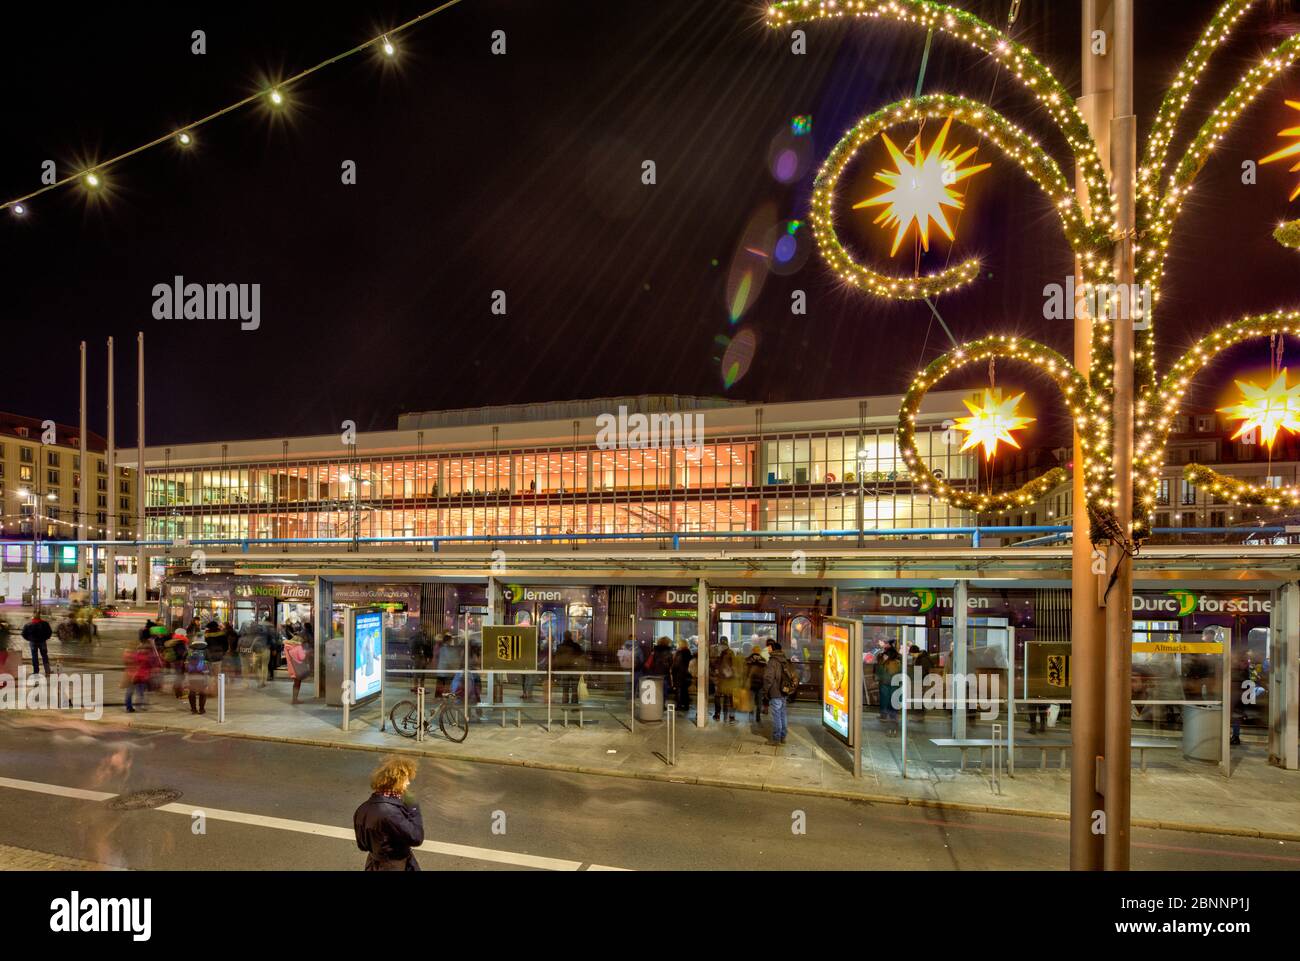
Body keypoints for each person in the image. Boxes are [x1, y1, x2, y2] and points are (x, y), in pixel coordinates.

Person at [353, 757, 424, 871]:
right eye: (406, 779)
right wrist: (414, 808)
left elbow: (363, 845)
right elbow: (416, 837)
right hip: (394, 866)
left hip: (373, 863)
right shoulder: (391, 813)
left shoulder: (362, 809)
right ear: (396, 781)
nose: (408, 782)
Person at [763, 640, 792, 745]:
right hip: (784, 691)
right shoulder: (784, 659)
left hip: (775, 692)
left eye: (769, 648)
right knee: (783, 714)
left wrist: (765, 690)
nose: (768, 649)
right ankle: (783, 737)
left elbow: (768, 678)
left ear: (773, 649)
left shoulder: (772, 661)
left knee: (776, 716)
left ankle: (776, 739)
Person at [876, 642, 902, 735]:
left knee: (887, 706)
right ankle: (893, 727)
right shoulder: (898, 663)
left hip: (887, 687)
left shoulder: (884, 664)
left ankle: (890, 728)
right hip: (895, 688)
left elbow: (879, 675)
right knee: (893, 709)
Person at [123, 636, 153, 713]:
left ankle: (130, 707)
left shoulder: (134, 654)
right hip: (135, 675)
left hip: (134, 675)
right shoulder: (134, 654)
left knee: (133, 692)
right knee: (136, 691)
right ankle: (133, 706)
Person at [553, 631, 584, 704]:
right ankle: (574, 705)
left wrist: (557, 668)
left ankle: (565, 704)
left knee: (565, 689)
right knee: (574, 689)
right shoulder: (576, 646)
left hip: (564, 670)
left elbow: (557, 659)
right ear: (571, 636)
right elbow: (581, 656)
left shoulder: (560, 646)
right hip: (575, 670)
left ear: (564, 636)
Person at [185, 630, 211, 715]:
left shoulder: (190, 649)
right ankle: (202, 709)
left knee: (192, 691)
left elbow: (185, 660)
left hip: (191, 673)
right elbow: (210, 660)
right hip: (203, 673)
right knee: (202, 691)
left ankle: (193, 709)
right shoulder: (206, 649)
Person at [284, 628, 312, 704]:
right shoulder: (297, 647)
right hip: (297, 667)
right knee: (297, 683)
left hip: (292, 666)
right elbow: (302, 657)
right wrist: (307, 653)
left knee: (296, 682)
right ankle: (294, 699)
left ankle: (295, 699)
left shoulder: (289, 647)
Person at [712, 640, 737, 722]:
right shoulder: (731, 653)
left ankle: (718, 714)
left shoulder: (719, 653)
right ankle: (730, 716)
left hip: (720, 678)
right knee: (729, 697)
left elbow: (714, 664)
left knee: (718, 696)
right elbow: (734, 666)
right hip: (728, 679)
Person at [909, 644, 934, 720]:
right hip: (920, 680)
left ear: (915, 652)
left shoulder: (923, 659)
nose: (912, 655)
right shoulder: (920, 658)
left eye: (912, 654)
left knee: (919, 698)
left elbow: (923, 671)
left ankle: (919, 715)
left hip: (921, 680)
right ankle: (919, 715)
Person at [163, 627, 189, 698]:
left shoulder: (174, 641)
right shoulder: (180, 642)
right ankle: (179, 693)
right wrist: (185, 655)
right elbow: (180, 652)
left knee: (178, 676)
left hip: (175, 661)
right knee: (179, 677)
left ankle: (176, 690)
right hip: (179, 661)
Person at [745, 643, 767, 723]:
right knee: (759, 702)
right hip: (760, 684)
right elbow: (766, 672)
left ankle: (751, 715)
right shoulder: (763, 660)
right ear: (759, 652)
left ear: (752, 651)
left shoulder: (748, 659)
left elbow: (745, 671)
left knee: (751, 700)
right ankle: (758, 717)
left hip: (751, 683)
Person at [671, 638, 694, 714]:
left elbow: (676, 665)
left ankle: (679, 705)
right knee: (685, 690)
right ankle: (686, 705)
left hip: (679, 674)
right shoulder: (688, 652)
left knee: (679, 690)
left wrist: (673, 671)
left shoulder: (679, 653)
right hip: (686, 674)